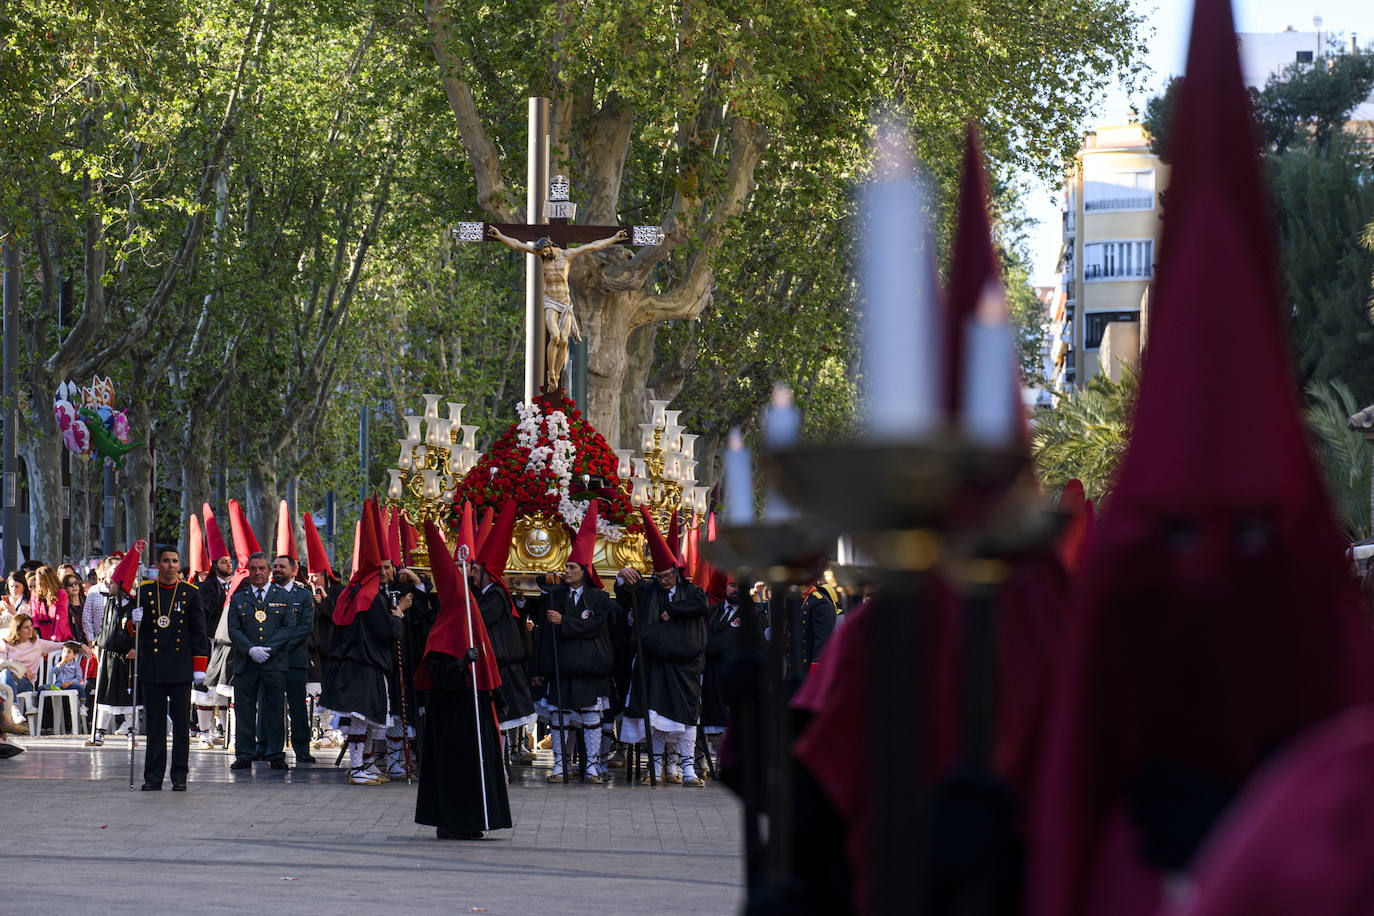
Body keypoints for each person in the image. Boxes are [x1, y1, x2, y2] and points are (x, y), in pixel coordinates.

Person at [414, 519, 511, 838]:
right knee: (454, 768)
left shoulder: (474, 618)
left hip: (475, 707)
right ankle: (452, 821)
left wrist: (496, 695)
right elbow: (437, 672)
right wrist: (460, 662)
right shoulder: (443, 626)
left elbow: (488, 666)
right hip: (451, 711)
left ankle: (477, 819)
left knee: (476, 767)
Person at [618, 507, 710, 786]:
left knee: (685, 718)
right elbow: (625, 596)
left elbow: (701, 604)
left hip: (684, 666)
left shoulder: (691, 592)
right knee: (655, 717)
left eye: (667, 576)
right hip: (656, 663)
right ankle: (655, 769)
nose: (663, 580)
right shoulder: (648, 591)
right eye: (658, 576)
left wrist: (672, 610)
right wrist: (624, 577)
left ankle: (688, 770)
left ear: (676, 572)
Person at [322, 500, 407, 785]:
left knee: (370, 717)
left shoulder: (359, 591)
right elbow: (386, 632)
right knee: (361, 718)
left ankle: (368, 763)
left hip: (362, 663)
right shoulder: (370, 596)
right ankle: (357, 766)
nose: (386, 572)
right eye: (381, 568)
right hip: (363, 664)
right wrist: (398, 616)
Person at [486, 224, 628, 389]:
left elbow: (592, 246)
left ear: (550, 246)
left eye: (545, 252)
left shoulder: (567, 255)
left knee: (564, 341)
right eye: (541, 254)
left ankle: (556, 375)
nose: (544, 256)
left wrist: (614, 239)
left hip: (565, 303)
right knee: (554, 336)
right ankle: (550, 373)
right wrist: (500, 236)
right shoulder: (540, 255)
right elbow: (518, 245)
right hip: (550, 301)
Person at [533, 503, 615, 783]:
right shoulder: (554, 596)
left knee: (591, 716)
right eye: (566, 566)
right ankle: (560, 765)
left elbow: (595, 625)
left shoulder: (600, 599)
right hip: (560, 667)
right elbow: (542, 632)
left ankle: (592, 765)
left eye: (571, 567)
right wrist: (539, 669)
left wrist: (565, 622)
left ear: (584, 569)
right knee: (558, 718)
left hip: (588, 668)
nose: (566, 571)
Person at [133, 546, 208, 791]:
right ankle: (153, 776)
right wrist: (132, 623)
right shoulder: (144, 592)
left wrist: (199, 667)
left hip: (180, 668)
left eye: (175, 561)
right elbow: (133, 633)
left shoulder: (190, 593)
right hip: (153, 667)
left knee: (181, 725)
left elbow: (199, 633)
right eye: (166, 561)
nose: (171, 565)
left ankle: (179, 776)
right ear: (157, 564)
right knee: (155, 725)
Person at [470, 500, 536, 742]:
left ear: (487, 573)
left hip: (502, 666)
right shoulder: (488, 594)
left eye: (476, 571)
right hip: (496, 665)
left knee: (500, 721)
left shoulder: (495, 596)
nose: (472, 574)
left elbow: (478, 621)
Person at [225, 552, 296, 771]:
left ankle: (275, 753)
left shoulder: (283, 596)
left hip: (274, 662)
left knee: (275, 709)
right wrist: (250, 649)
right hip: (247, 663)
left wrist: (269, 648)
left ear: (269, 571)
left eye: (262, 568)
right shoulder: (239, 597)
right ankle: (244, 754)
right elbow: (234, 629)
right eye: (253, 569)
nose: (257, 573)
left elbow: (289, 626)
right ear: (248, 571)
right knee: (244, 710)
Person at [88, 547, 144, 746]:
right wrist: (98, 644)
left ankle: (131, 730)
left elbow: (140, 631)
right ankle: (100, 731)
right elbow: (106, 627)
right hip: (109, 653)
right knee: (105, 693)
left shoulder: (136, 603)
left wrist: (136, 646)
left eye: (112, 582)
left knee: (128, 695)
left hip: (127, 655)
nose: (108, 584)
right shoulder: (110, 602)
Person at [274, 554, 316, 764]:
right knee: (270, 706)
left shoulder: (304, 595)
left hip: (296, 658)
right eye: (275, 566)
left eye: (282, 566)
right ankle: (271, 748)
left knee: (298, 705)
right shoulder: (268, 593)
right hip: (271, 660)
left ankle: (302, 749)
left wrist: (281, 646)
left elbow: (305, 627)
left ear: (293, 569)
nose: (278, 570)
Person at [28, 566, 71, 642]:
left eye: (41, 582)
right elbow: (35, 617)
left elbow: (61, 617)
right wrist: (37, 636)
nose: (39, 584)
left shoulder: (61, 593)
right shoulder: (35, 595)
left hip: (60, 635)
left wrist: (56, 637)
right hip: (42, 636)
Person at [60, 574, 86, 643]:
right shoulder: (65, 606)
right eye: (70, 584)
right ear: (65, 588)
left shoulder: (86, 601)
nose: (74, 586)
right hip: (74, 643)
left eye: (75, 583)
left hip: (89, 641)